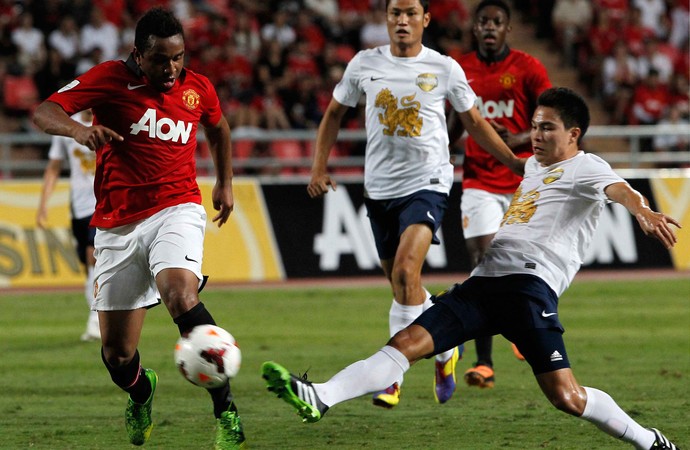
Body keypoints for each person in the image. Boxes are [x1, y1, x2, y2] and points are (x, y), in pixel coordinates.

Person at [262, 87, 681, 450]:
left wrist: (643, 211)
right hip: (484, 284)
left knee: (567, 397)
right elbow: (508, 149)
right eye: (535, 126)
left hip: (529, 289)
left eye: (548, 128)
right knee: (405, 343)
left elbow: (620, 189)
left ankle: (649, 440)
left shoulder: (586, 167)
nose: (536, 134)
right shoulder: (535, 166)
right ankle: (321, 395)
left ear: (574, 135)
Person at [32, 8, 246, 450]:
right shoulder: (109, 78)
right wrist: (77, 130)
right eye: (160, 60)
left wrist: (224, 182)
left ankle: (226, 413)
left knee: (181, 295)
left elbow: (219, 128)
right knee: (117, 355)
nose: (170, 69)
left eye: (178, 58)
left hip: (177, 209)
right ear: (137, 54)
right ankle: (141, 391)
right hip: (117, 224)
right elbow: (44, 111)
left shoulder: (197, 87)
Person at [306, 0, 524, 408]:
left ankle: (392, 376)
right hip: (379, 189)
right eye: (394, 14)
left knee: (407, 270)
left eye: (410, 13)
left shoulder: (444, 68)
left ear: (425, 19)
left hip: (428, 182)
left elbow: (474, 121)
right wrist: (319, 168)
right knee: (402, 284)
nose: (402, 21)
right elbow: (334, 113)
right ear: (386, 20)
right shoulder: (363, 64)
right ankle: (445, 350)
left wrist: (512, 161)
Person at [452, 0, 552, 389]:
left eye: (496, 22)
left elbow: (550, 114)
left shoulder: (528, 68)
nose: (490, 28)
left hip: (522, 178)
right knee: (482, 263)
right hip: (477, 179)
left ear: (508, 29)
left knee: (525, 264)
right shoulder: (460, 68)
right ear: (474, 28)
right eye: (483, 22)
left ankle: (522, 329)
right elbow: (451, 121)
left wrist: (522, 138)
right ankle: (484, 362)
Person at [36, 109, 100, 342]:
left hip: (104, 202)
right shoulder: (66, 128)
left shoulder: (109, 119)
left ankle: (96, 320)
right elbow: (54, 167)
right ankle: (97, 311)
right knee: (88, 265)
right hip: (79, 206)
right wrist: (43, 204)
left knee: (93, 254)